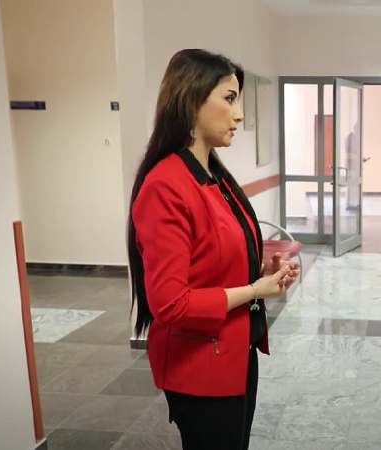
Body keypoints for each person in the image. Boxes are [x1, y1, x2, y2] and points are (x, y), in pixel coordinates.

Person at [126, 49, 299, 450]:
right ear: (191, 102)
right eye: (229, 98)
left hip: (236, 351)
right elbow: (171, 303)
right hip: (201, 365)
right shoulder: (166, 186)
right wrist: (255, 291)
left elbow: (213, 261)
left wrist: (261, 273)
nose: (239, 115)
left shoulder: (214, 176)